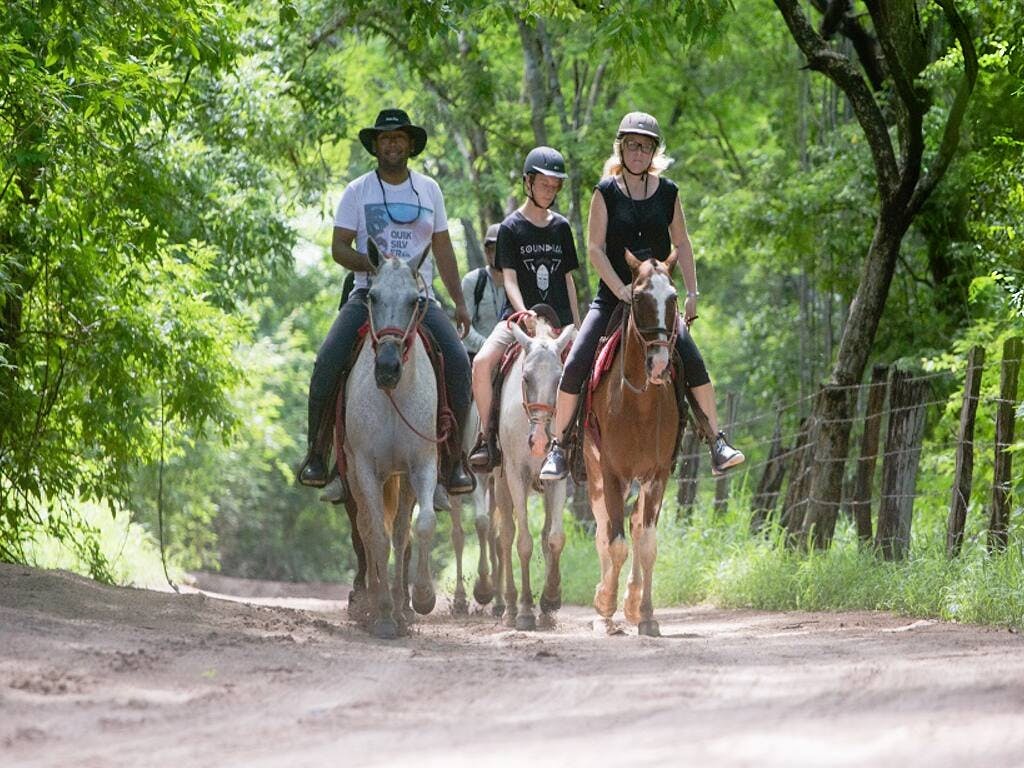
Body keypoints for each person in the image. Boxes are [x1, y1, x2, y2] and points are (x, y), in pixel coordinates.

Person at [539, 112, 743, 480]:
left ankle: (716, 440)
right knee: (575, 365)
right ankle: (559, 447)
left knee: (694, 363)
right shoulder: (605, 192)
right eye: (632, 144)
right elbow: (595, 249)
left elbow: (681, 242)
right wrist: (621, 289)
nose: (638, 151)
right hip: (614, 297)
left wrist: (692, 292)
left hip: (659, 300)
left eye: (645, 146)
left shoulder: (668, 192)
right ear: (621, 147)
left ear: (653, 151)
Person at [297, 108, 475, 498]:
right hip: (370, 294)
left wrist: (459, 302)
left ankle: (453, 464)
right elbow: (339, 247)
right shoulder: (357, 191)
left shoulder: (429, 190)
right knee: (328, 359)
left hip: (419, 300)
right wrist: (375, 267)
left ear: (410, 145)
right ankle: (318, 454)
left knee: (459, 364)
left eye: (398, 138)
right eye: (384, 138)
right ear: (375, 146)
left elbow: (442, 248)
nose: (392, 144)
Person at [468, 146, 581, 471]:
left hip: (559, 321)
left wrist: (577, 323)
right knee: (481, 362)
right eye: (544, 183)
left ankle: (581, 444)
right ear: (528, 182)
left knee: (588, 366)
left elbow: (568, 279)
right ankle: (486, 438)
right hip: (519, 321)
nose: (550, 190)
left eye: (555, 185)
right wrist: (523, 313)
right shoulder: (510, 228)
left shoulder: (561, 227)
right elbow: (511, 279)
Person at [461, 223, 507, 363]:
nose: (495, 253)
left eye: (501, 248)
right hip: (476, 356)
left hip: (510, 358)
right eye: (490, 249)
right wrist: (488, 346)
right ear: (486, 251)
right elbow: (464, 327)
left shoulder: (519, 284)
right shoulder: (473, 281)